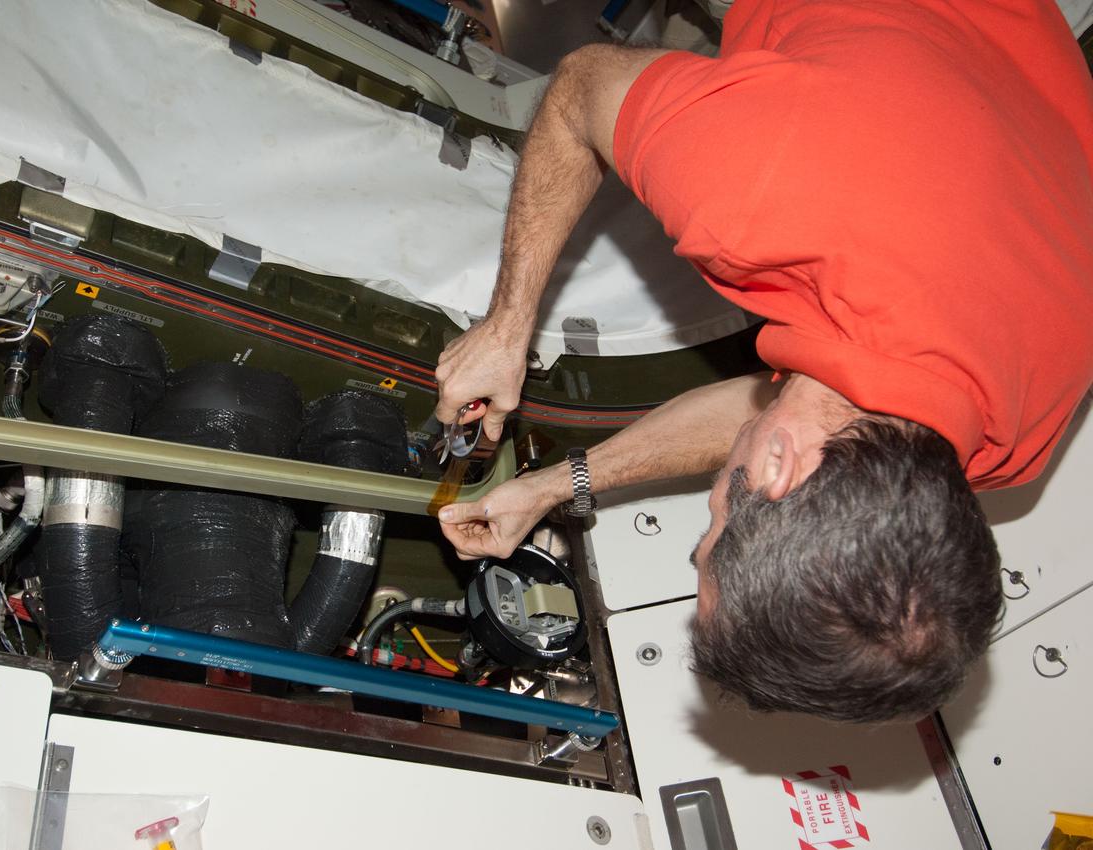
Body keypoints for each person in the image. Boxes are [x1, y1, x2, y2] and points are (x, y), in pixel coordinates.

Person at [432, 0, 1093, 722]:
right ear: (780, 465)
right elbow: (581, 87)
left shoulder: (1005, 446)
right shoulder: (756, 202)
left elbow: (775, 414)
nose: (714, 502)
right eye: (712, 522)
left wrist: (552, 487)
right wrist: (507, 326)